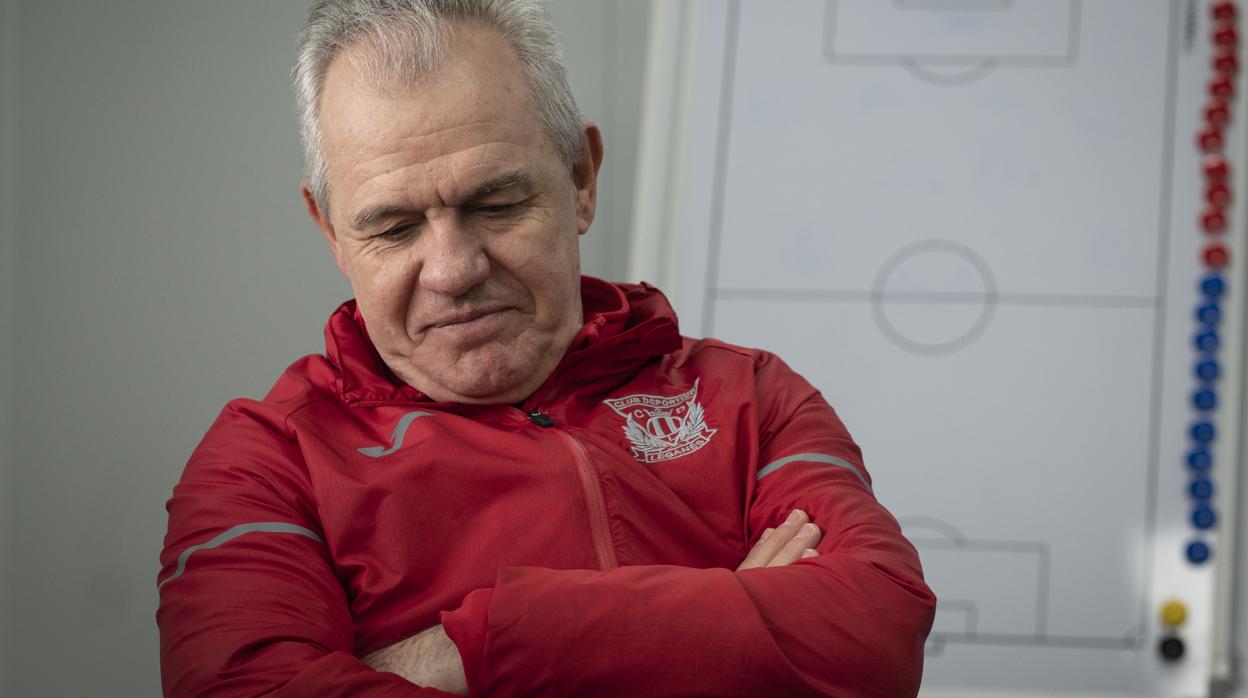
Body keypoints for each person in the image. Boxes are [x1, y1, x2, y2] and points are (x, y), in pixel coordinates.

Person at [156, 1, 936, 695]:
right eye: (393, 228)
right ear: (331, 232)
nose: (455, 270)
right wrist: (720, 631)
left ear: (581, 177)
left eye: (496, 204)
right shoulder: (264, 462)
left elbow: (873, 640)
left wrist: (469, 649)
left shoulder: (755, 398)